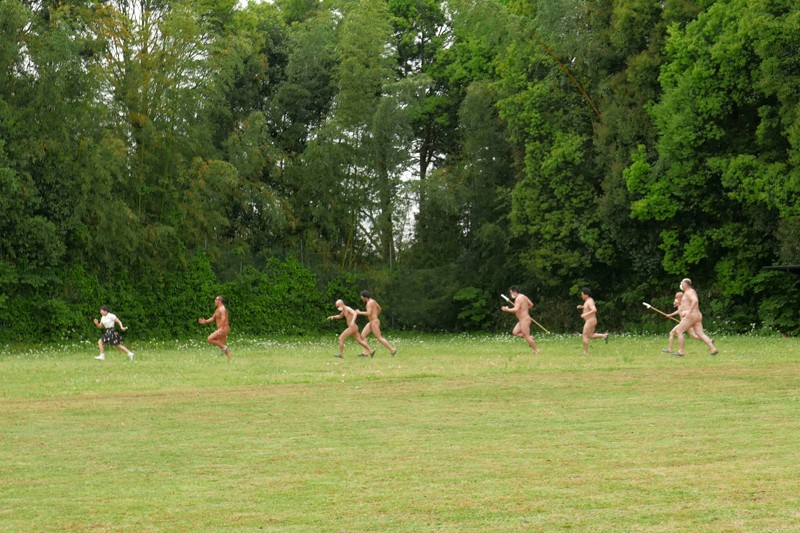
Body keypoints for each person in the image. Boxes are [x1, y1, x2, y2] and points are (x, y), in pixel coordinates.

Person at [673, 278, 718, 357]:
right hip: (697, 315)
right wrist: (679, 304)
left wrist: (689, 312)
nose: (681, 285)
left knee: (679, 331)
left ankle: (681, 351)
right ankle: (713, 349)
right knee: (700, 334)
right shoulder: (690, 292)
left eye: (682, 283)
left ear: (686, 284)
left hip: (691, 316)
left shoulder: (689, 292)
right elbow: (688, 303)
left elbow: (695, 301)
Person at [356, 290, 397, 357]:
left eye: (362, 297)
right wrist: (375, 316)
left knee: (379, 338)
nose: (362, 299)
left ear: (365, 297)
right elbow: (379, 308)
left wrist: (359, 312)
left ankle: (392, 349)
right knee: (363, 335)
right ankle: (365, 352)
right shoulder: (373, 301)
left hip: (374, 322)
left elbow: (368, 313)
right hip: (373, 321)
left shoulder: (369, 303)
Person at [500, 286, 540, 354]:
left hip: (524, 319)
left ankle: (536, 350)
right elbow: (531, 304)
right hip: (522, 320)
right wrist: (523, 309)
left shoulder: (518, 299)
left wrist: (507, 309)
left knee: (526, 336)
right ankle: (531, 338)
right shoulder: (523, 296)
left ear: (515, 292)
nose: (511, 295)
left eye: (511, 293)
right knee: (515, 332)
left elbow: (515, 309)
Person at [199, 296, 233, 361]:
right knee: (222, 345)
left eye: (216, 299)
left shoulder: (222, 309)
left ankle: (224, 347)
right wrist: (205, 321)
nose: (215, 301)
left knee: (210, 339)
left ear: (220, 301)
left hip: (223, 328)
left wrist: (221, 329)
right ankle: (231, 360)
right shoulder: (218, 309)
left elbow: (223, 318)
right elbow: (213, 318)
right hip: (222, 328)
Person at [577, 287, 609, 354]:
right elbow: (587, 308)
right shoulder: (588, 301)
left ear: (586, 295)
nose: (581, 296)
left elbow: (594, 310)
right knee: (590, 335)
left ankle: (586, 352)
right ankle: (604, 335)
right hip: (591, 320)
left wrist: (585, 314)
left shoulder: (589, 301)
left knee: (584, 336)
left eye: (582, 294)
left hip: (590, 320)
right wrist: (581, 307)